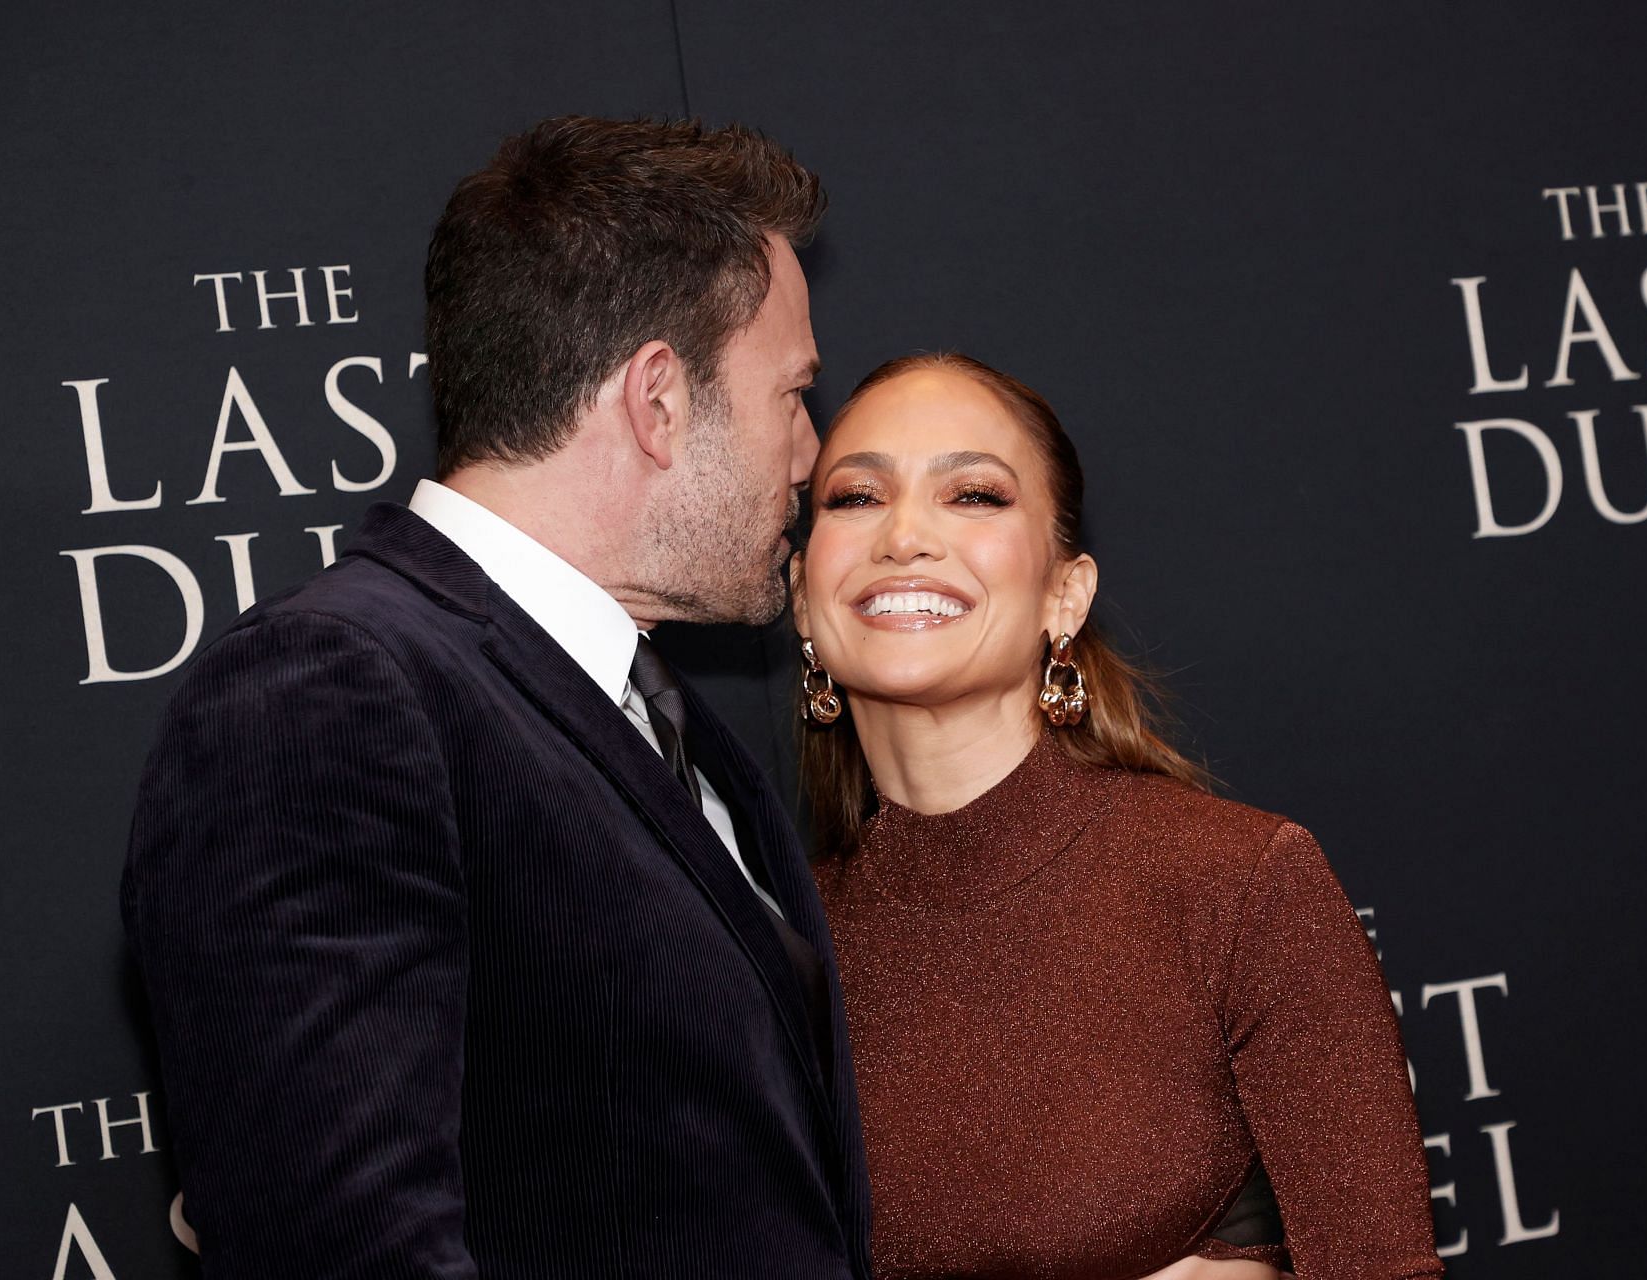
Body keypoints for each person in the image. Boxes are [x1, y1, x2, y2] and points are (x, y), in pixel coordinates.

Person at [121, 117, 871, 1279]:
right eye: (793, 394)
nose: (811, 453)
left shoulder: (658, 713)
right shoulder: (334, 693)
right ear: (659, 401)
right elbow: (339, 1252)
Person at [793, 353, 1443, 1280]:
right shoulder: (771, 945)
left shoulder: (1237, 883)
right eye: (855, 498)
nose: (904, 537)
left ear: (1067, 594)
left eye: (974, 495)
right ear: (800, 599)